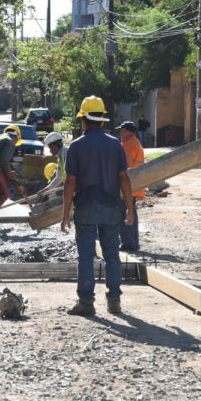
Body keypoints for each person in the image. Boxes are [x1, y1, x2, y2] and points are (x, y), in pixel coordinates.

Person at [61, 96, 134, 316]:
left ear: (83, 119)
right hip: (111, 206)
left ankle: (86, 303)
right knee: (112, 255)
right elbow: (124, 178)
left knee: (85, 255)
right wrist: (130, 208)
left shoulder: (76, 146)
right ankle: (114, 301)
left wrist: (65, 214)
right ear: (102, 120)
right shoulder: (115, 145)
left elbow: (70, 182)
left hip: (85, 207)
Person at [118, 121, 145, 251]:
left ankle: (128, 243)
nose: (120, 132)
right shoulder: (133, 142)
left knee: (125, 212)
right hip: (134, 183)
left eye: (122, 130)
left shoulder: (129, 144)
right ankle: (133, 242)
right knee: (131, 211)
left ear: (129, 131)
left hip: (128, 184)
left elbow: (125, 165)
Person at [37, 131, 67, 196]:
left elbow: (71, 176)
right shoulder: (60, 156)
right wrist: (45, 190)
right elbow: (58, 178)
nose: (50, 151)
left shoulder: (66, 152)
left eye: (50, 148)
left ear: (54, 146)